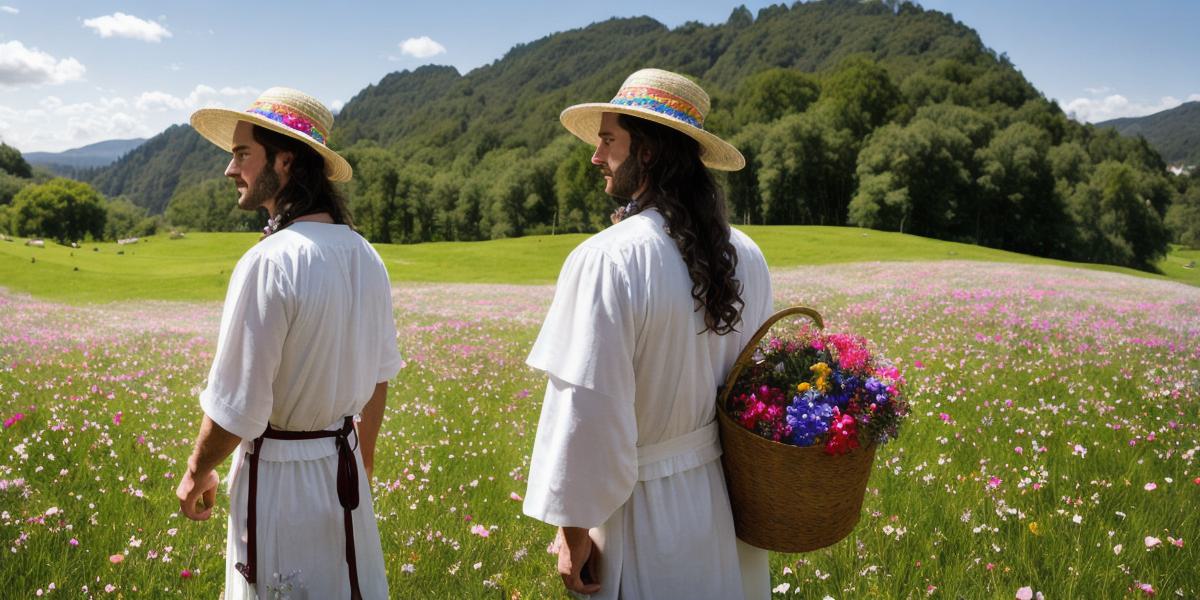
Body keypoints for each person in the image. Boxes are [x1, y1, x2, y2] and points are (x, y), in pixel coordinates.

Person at [522, 68, 774, 599]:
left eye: (608, 139)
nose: (596, 156)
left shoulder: (607, 259)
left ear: (649, 151)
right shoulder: (746, 255)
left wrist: (573, 532)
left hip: (640, 513)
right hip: (724, 504)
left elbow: (586, 413)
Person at [175, 87, 402, 599]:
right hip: (343, 474)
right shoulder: (365, 254)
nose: (231, 170)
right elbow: (379, 379)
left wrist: (196, 472)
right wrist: (360, 465)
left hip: (279, 481)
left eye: (241, 154)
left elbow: (238, 404)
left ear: (284, 160)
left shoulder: (270, 261)